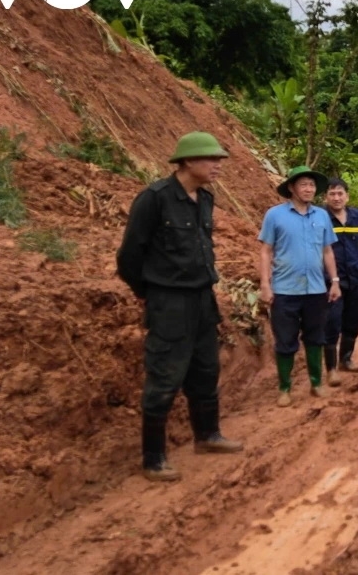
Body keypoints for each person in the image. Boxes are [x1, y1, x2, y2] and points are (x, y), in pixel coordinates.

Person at [116, 131, 244, 483]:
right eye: (211, 159)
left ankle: (208, 436)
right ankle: (153, 458)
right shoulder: (154, 198)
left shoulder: (204, 199)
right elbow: (129, 256)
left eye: (219, 159)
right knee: (165, 376)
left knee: (205, 371)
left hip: (203, 298)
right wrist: (148, 292)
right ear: (187, 162)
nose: (218, 165)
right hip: (169, 301)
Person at [258, 166, 343, 406]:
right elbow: (266, 252)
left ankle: (316, 383)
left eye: (312, 185)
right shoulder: (275, 215)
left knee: (315, 337)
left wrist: (334, 281)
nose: (309, 189)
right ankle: (284, 388)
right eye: (304, 184)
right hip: (284, 290)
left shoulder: (321, 216)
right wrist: (265, 284)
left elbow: (327, 251)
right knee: (285, 340)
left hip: (316, 290)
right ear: (292, 188)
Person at [322, 178, 358, 373]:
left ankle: (346, 360)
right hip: (330, 280)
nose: (336, 198)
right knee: (331, 321)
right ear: (326, 197)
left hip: (355, 279)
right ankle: (331, 367)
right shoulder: (320, 217)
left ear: (347, 196)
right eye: (332, 194)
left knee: (354, 319)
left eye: (340, 193)